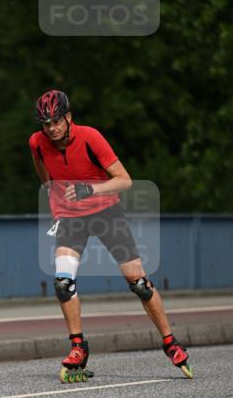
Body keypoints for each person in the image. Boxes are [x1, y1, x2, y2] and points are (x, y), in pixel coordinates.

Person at [29, 89, 192, 382]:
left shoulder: (91, 137)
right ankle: (78, 346)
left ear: (68, 117)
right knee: (63, 282)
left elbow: (125, 180)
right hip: (71, 216)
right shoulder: (38, 143)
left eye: (56, 121)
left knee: (139, 284)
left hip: (105, 212)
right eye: (45, 123)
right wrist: (54, 195)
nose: (51, 128)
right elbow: (44, 174)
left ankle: (170, 342)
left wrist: (88, 189)